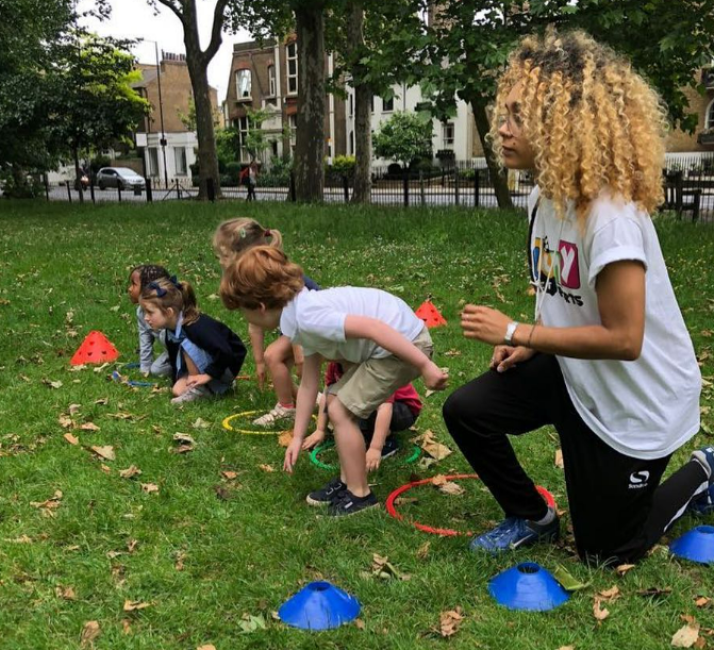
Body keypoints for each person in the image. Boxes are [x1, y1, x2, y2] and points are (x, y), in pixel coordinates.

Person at [442, 29, 710, 566]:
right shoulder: (545, 196)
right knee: (467, 410)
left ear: (563, 124)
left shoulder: (610, 216)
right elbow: (559, 291)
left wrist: (518, 332)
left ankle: (703, 471)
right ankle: (532, 516)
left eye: (519, 115)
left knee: (606, 555)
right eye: (505, 112)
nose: (502, 127)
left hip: (637, 402)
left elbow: (625, 339)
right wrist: (534, 346)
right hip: (575, 372)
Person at [220, 246, 448, 517]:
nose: (245, 319)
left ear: (259, 307)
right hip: (391, 348)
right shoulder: (297, 317)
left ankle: (360, 495)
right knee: (333, 402)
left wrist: (425, 365)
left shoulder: (309, 316)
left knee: (340, 411)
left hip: (405, 346)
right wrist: (297, 436)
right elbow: (309, 384)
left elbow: (375, 329)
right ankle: (348, 480)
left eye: (243, 312)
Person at [213, 218, 320, 426]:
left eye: (224, 255)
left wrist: (300, 354)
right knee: (273, 361)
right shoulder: (250, 279)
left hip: (310, 320)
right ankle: (312, 400)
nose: (220, 261)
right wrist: (259, 361)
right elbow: (255, 323)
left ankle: (287, 406)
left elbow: (297, 306)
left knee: (274, 356)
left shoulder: (272, 276)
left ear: (245, 254)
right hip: (293, 325)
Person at [301, 362, 422, 504]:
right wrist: (320, 429)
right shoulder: (335, 364)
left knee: (358, 405)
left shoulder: (374, 367)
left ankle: (387, 441)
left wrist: (375, 448)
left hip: (402, 410)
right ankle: (346, 478)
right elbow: (328, 393)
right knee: (342, 403)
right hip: (371, 405)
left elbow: (385, 408)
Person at [140, 276, 246, 405]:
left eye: (150, 313)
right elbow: (174, 359)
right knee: (177, 390)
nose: (146, 318)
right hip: (215, 364)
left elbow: (225, 352)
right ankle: (214, 386)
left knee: (186, 344)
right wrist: (177, 381)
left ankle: (203, 388)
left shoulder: (196, 327)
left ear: (169, 312)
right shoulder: (170, 329)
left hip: (227, 364)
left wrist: (208, 376)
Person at [127, 265, 173, 378]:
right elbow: (145, 341)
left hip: (187, 351)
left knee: (164, 335)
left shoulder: (170, 312)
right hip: (172, 352)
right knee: (156, 370)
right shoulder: (141, 313)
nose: (129, 289)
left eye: (134, 284)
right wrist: (145, 368)